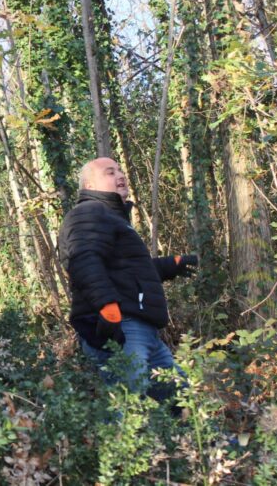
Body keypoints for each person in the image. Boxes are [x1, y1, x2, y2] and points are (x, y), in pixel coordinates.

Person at [59, 157, 198, 403]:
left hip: (142, 329)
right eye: (110, 172)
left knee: (180, 398)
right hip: (123, 327)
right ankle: (124, 441)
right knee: (127, 404)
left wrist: (171, 265)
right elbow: (82, 260)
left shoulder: (111, 217)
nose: (120, 175)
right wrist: (107, 306)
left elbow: (130, 273)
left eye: (120, 169)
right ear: (90, 185)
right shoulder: (88, 212)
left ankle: (207, 442)